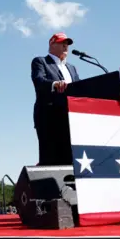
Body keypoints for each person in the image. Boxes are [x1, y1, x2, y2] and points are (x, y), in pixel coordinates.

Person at [31, 32, 80, 166]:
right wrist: (55, 84)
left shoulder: (72, 68)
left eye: (67, 44)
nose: (66, 46)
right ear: (51, 44)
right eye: (62, 43)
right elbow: (39, 81)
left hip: (70, 119)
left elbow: (79, 88)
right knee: (51, 159)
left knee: (70, 158)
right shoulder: (41, 61)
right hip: (49, 119)